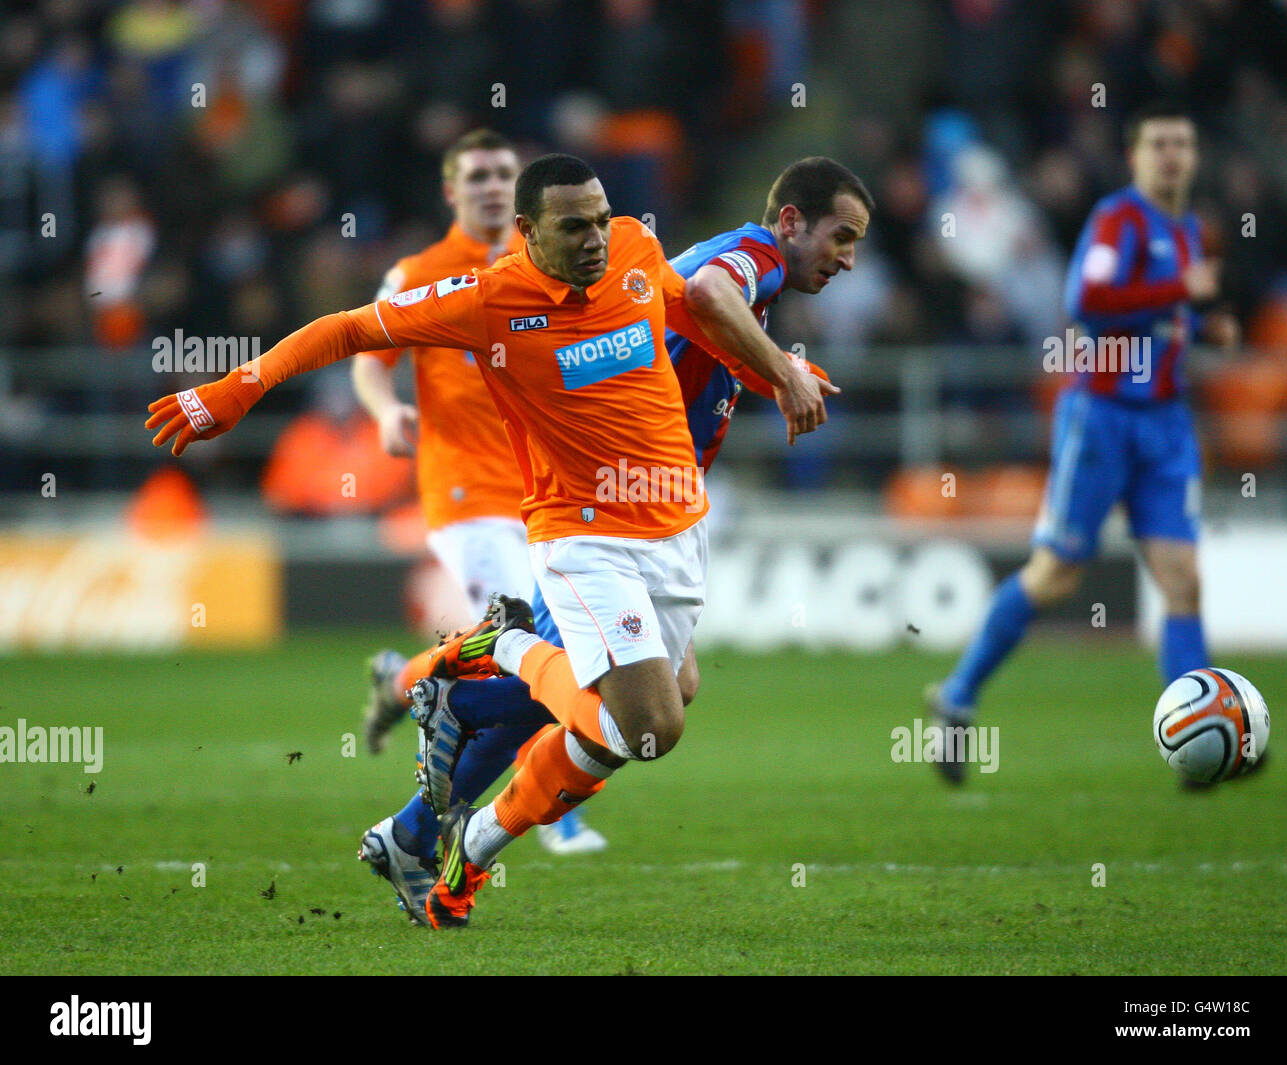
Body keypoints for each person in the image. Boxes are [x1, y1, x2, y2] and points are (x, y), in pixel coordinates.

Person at [145, 153, 849, 929]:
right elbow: (346, 330)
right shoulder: (487, 299)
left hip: (678, 524)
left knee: (655, 708)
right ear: (527, 232)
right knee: (651, 726)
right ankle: (499, 652)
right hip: (584, 535)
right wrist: (232, 390)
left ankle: (459, 837)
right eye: (573, 226)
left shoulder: (637, 254)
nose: (596, 240)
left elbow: (699, 318)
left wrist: (781, 370)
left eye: (601, 217)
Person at [361, 156, 873, 925]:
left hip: (645, 517)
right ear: (792, 223)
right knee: (616, 710)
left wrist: (786, 372)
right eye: (842, 237)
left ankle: (423, 799)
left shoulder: (727, 277)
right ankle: (450, 697)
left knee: (654, 691)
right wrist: (784, 371)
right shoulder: (753, 258)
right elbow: (704, 292)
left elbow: (698, 323)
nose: (848, 258)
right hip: (603, 517)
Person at [926, 102, 1241, 783]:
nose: (1171, 155)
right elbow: (1090, 301)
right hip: (1101, 417)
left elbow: (1161, 315)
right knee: (1056, 574)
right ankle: (956, 696)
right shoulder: (1117, 221)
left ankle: (1198, 747)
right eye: (1157, 142)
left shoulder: (1188, 229)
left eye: (1181, 142)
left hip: (1164, 423)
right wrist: (1177, 292)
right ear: (1135, 155)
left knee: (1182, 580)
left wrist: (1201, 326)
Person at [350, 128, 605, 857]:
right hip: (464, 490)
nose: (493, 186)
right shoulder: (420, 270)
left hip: (547, 488)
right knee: (533, 641)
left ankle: (406, 681)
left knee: (530, 647)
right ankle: (555, 808)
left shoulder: (542, 264)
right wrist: (384, 409)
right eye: (479, 175)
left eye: (504, 174)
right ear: (450, 190)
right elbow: (368, 354)